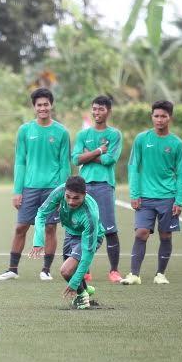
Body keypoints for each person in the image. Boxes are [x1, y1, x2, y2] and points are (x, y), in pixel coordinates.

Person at [0, 88, 71, 281]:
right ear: (34, 107)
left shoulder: (61, 132)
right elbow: (20, 161)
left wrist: (64, 191)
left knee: (50, 228)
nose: (43, 108)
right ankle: (12, 269)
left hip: (53, 189)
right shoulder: (25, 130)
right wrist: (17, 191)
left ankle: (45, 270)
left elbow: (64, 164)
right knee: (21, 227)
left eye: (46, 104)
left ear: (51, 105)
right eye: (39, 105)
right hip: (29, 188)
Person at [121, 100, 182, 285]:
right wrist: (134, 194)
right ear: (152, 117)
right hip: (145, 197)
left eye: (163, 116)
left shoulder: (177, 144)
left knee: (165, 235)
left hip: (168, 197)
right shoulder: (142, 139)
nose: (159, 120)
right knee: (141, 233)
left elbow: (181, 174)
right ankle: (134, 274)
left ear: (170, 118)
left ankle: (160, 274)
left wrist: (179, 200)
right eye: (156, 116)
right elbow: (133, 166)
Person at [28, 176, 104, 309]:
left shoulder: (90, 216)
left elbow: (88, 254)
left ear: (84, 195)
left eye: (76, 198)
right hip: (70, 232)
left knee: (66, 271)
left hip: (90, 236)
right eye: (68, 197)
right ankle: (86, 289)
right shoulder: (60, 191)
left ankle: (82, 297)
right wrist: (38, 241)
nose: (70, 202)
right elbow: (41, 213)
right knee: (71, 269)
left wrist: (74, 283)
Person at [71, 95, 123, 282]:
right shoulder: (83, 134)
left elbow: (110, 161)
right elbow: (76, 158)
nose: (96, 112)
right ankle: (85, 270)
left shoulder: (114, 134)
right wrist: (100, 151)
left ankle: (114, 271)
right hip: (84, 187)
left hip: (104, 186)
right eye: (94, 109)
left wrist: (88, 155)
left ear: (108, 111)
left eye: (100, 109)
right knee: (83, 228)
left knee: (109, 228)